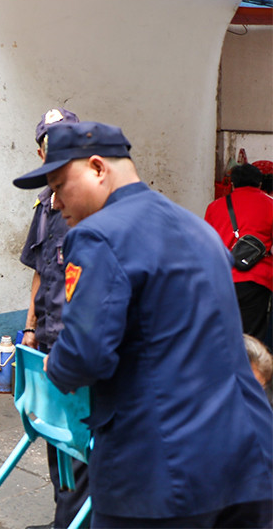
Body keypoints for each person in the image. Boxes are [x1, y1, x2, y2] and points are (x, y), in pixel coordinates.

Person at [24, 119, 273, 527]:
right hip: (247, 458)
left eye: (58, 184)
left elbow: (85, 356)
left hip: (160, 470)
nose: (55, 201)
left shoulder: (98, 236)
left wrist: (55, 365)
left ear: (98, 168)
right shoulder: (197, 227)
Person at [19, 108, 88, 529]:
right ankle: (64, 515)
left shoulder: (93, 210)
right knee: (55, 436)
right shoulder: (46, 205)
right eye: (50, 142)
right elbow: (40, 274)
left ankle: (74, 521)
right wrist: (29, 328)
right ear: (40, 149)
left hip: (78, 344)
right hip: (48, 340)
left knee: (81, 442)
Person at [204, 159, 273, 345]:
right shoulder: (270, 205)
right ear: (259, 183)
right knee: (252, 337)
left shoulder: (214, 207)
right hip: (257, 279)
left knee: (223, 332)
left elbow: (208, 247)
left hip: (223, 278)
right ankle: (251, 372)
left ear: (233, 183)